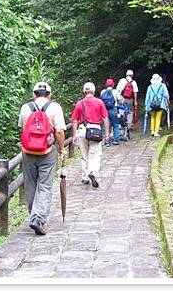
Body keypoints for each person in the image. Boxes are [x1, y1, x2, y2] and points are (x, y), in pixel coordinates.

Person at [18, 82, 66, 235]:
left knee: (30, 184)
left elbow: (23, 128)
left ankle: (34, 215)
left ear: (34, 94)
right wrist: (62, 149)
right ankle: (38, 218)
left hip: (28, 151)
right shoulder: (55, 107)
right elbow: (59, 131)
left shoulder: (26, 108)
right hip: (47, 151)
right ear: (49, 94)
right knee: (45, 185)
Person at [71, 82, 109, 188]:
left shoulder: (79, 104)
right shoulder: (99, 102)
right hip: (95, 130)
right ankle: (92, 171)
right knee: (95, 154)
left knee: (84, 155)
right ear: (93, 91)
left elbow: (74, 120)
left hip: (83, 130)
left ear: (84, 91)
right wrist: (106, 133)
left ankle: (85, 177)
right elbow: (105, 118)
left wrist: (75, 135)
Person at [100, 78, 121, 147]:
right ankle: (116, 140)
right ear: (113, 84)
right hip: (113, 109)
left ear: (106, 84)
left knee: (105, 125)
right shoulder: (115, 92)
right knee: (115, 124)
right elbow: (119, 101)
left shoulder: (103, 92)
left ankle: (106, 140)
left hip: (104, 110)